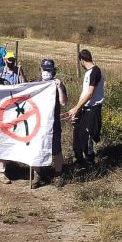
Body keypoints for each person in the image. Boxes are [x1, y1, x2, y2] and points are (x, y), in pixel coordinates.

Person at [66, 49, 104, 167]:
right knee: (78, 134)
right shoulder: (88, 73)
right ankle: (78, 159)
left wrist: (77, 108)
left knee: (87, 135)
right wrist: (76, 109)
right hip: (84, 108)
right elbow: (84, 93)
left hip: (92, 109)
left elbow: (90, 93)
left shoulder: (95, 71)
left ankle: (89, 160)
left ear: (82, 60)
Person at [33, 59, 68, 188]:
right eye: (44, 69)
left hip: (53, 122)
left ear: (53, 71)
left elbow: (63, 102)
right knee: (37, 148)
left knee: (56, 149)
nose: (46, 72)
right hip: (38, 122)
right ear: (41, 69)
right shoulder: (36, 84)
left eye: (49, 70)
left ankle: (58, 173)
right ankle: (37, 174)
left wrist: (59, 87)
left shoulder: (58, 84)